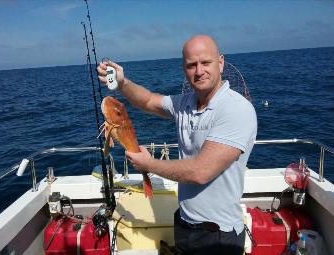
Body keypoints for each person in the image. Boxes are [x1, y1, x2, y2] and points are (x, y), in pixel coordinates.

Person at [97, 34, 257, 255]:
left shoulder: (236, 109)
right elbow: (147, 100)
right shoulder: (185, 103)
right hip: (184, 221)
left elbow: (201, 171)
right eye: (191, 65)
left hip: (217, 234)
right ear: (184, 68)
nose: (199, 71)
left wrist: (148, 164)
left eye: (206, 62)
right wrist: (123, 83)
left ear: (220, 62)